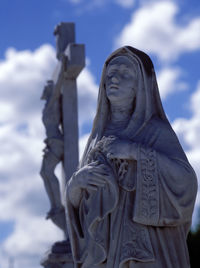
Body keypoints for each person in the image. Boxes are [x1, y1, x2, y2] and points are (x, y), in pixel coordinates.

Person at [65, 46, 197, 267]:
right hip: (105, 253)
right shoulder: (97, 138)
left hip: (150, 250)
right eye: (110, 74)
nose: (115, 79)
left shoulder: (155, 131)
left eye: (125, 73)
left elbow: (186, 184)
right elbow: (79, 206)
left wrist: (136, 152)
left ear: (141, 85)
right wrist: (76, 184)